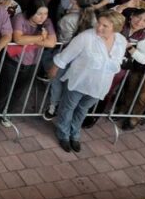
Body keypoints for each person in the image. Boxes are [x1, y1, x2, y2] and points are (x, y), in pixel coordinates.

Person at [52, 11, 128, 153]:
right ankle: (63, 134)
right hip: (79, 80)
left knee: (82, 110)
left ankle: (75, 135)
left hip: (99, 86)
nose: (99, 27)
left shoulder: (121, 41)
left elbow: (116, 62)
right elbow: (66, 55)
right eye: (99, 23)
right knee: (68, 107)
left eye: (105, 26)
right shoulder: (86, 37)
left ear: (115, 27)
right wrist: (55, 69)